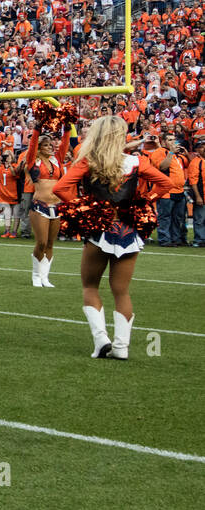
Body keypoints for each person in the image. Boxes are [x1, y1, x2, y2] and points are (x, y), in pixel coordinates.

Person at [53, 116, 174, 360]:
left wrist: (84, 207)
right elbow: (166, 183)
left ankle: (101, 340)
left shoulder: (88, 161)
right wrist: (145, 201)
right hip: (129, 230)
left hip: (100, 230)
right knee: (122, 292)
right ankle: (121, 347)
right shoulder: (137, 161)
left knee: (90, 286)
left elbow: (59, 189)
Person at [23, 125, 69, 287]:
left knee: (50, 243)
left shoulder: (57, 161)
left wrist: (68, 130)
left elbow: (64, 145)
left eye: (52, 145)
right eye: (47, 145)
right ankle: (36, 275)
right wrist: (36, 129)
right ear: (40, 148)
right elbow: (33, 144)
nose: (51, 147)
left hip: (56, 206)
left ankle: (45, 277)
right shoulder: (32, 161)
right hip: (39, 205)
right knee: (41, 242)